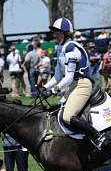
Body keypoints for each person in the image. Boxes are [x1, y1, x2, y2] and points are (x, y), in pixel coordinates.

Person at [41, 17, 107, 150]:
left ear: (66, 34)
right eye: (54, 32)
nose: (55, 35)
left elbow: (69, 77)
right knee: (57, 112)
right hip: (73, 86)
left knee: (67, 116)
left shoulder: (72, 49)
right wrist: (44, 88)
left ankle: (98, 135)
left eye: (58, 32)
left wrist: (53, 90)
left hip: (82, 85)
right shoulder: (61, 49)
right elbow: (58, 76)